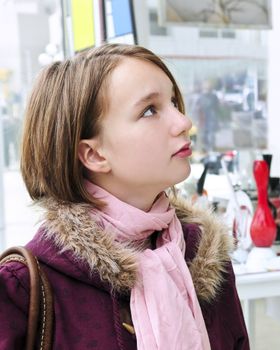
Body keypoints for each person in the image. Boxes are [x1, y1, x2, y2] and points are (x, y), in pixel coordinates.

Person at [0, 43, 249, 349]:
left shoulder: (203, 254)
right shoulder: (22, 289)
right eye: (149, 110)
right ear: (93, 154)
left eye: (173, 101)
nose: (184, 122)